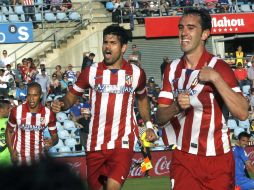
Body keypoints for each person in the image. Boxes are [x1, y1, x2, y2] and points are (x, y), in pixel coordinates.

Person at [52, 24, 157, 190]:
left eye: (113, 43)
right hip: (95, 144)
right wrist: (62, 103)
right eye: (105, 42)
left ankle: (145, 171)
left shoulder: (137, 73)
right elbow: (71, 96)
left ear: (123, 47)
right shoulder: (91, 72)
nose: (107, 46)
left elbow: (143, 99)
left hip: (122, 143)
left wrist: (149, 126)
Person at [156, 8, 249, 190]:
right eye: (181, 27)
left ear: (205, 34)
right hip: (184, 158)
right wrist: (176, 107)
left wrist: (215, 78)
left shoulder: (219, 67)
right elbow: (160, 117)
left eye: (191, 28)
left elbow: (243, 113)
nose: (184, 33)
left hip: (218, 160)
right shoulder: (172, 68)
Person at [5, 82, 58, 165]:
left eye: (35, 95)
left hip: (39, 160)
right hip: (19, 159)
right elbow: (9, 131)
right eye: (29, 95)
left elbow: (55, 137)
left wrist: (52, 141)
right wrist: (11, 151)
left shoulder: (48, 113)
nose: (31, 98)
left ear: (40, 95)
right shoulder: (16, 111)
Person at [0, 100, 11, 166]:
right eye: (8, 108)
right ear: (1, 109)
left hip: (9, 162)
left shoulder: (9, 122)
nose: (10, 110)